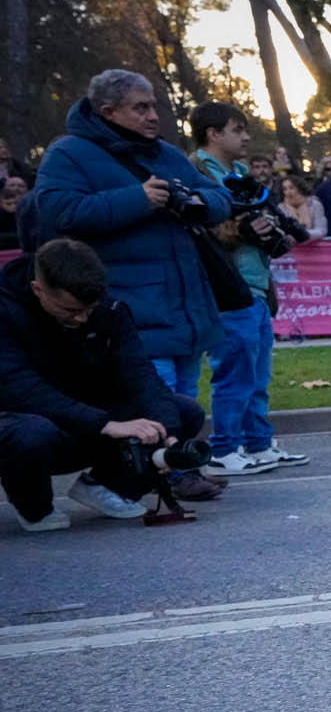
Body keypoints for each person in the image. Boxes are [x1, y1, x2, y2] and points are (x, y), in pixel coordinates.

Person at [21, 69, 231, 423]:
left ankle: (179, 457)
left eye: (153, 106)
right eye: (140, 108)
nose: (153, 116)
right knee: (154, 406)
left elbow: (220, 197)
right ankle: (161, 458)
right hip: (132, 312)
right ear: (108, 112)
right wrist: (138, 199)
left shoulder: (165, 153)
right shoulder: (68, 154)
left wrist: (197, 202)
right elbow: (59, 210)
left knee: (186, 405)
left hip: (185, 309)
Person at [0, 239, 214, 528]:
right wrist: (105, 425)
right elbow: (18, 388)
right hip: (23, 419)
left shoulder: (109, 309)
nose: (81, 318)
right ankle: (34, 507)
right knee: (29, 434)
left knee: (181, 412)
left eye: (88, 309)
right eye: (70, 310)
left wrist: (170, 435)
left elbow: (141, 375)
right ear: (38, 289)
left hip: (79, 417)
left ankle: (105, 488)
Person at [191, 101, 305, 477]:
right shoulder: (196, 172)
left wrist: (273, 232)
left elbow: (263, 219)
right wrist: (239, 229)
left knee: (257, 374)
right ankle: (225, 448)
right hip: (225, 286)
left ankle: (258, 443)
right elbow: (199, 229)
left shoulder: (241, 174)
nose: (245, 138)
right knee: (234, 372)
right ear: (213, 134)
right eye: (237, 130)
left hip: (255, 283)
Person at [280, 174, 327, 244]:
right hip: (291, 248)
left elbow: (321, 230)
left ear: (300, 188)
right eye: (285, 189)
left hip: (313, 246)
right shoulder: (281, 208)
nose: (288, 192)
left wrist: (302, 235)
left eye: (291, 188)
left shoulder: (314, 204)